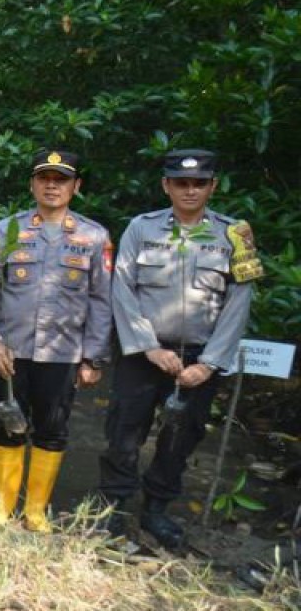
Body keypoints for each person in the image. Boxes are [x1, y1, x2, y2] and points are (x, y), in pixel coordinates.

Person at [98, 149, 260, 549]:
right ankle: (114, 506)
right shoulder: (141, 228)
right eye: (181, 182)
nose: (190, 190)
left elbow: (239, 303)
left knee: (181, 435)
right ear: (166, 185)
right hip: (144, 354)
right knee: (124, 429)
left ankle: (156, 509)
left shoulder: (235, 235)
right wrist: (149, 347)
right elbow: (122, 289)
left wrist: (208, 365)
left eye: (199, 183)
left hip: (201, 358)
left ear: (213, 186)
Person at [0, 149, 112, 532]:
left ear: (76, 186)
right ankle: (2, 506)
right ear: (33, 183)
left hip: (63, 352)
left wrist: (93, 358)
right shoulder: (8, 230)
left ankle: (35, 510)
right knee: (5, 424)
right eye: (45, 178)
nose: (52, 185)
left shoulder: (93, 236)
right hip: (10, 351)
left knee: (52, 430)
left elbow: (101, 299)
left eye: (61, 179)